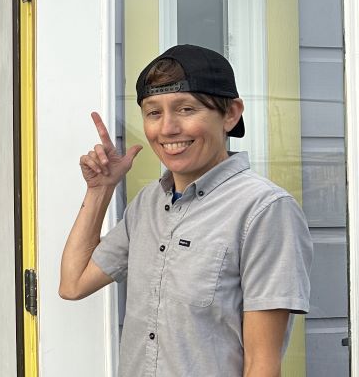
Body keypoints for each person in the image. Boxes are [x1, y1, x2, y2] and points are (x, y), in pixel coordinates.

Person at [59, 44, 312, 377]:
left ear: (231, 114)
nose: (167, 128)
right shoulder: (147, 204)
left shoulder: (264, 211)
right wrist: (100, 189)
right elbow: (73, 284)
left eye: (186, 109)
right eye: (153, 112)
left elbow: (262, 365)